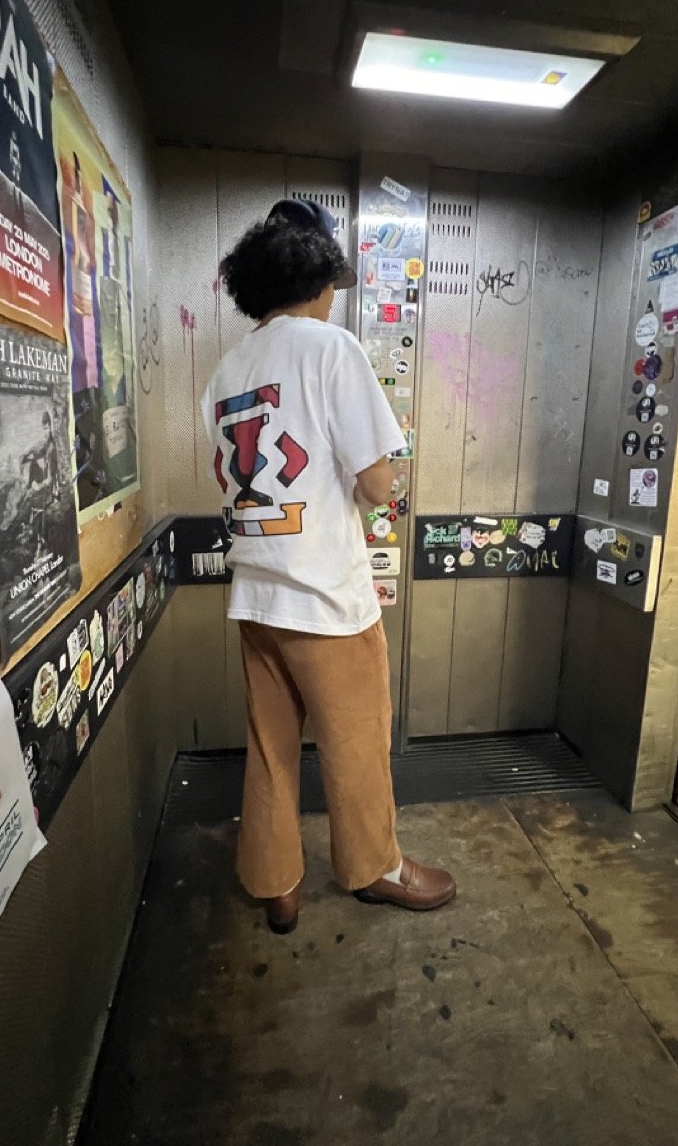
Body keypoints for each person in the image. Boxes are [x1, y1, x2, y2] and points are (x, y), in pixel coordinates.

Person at [201, 198, 456, 935]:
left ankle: (275, 883)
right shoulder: (331, 347)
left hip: (257, 595)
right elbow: (375, 484)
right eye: (333, 284)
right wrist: (382, 479)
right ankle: (376, 868)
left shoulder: (226, 369)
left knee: (270, 749)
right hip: (327, 600)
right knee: (357, 745)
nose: (334, 297)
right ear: (317, 281)